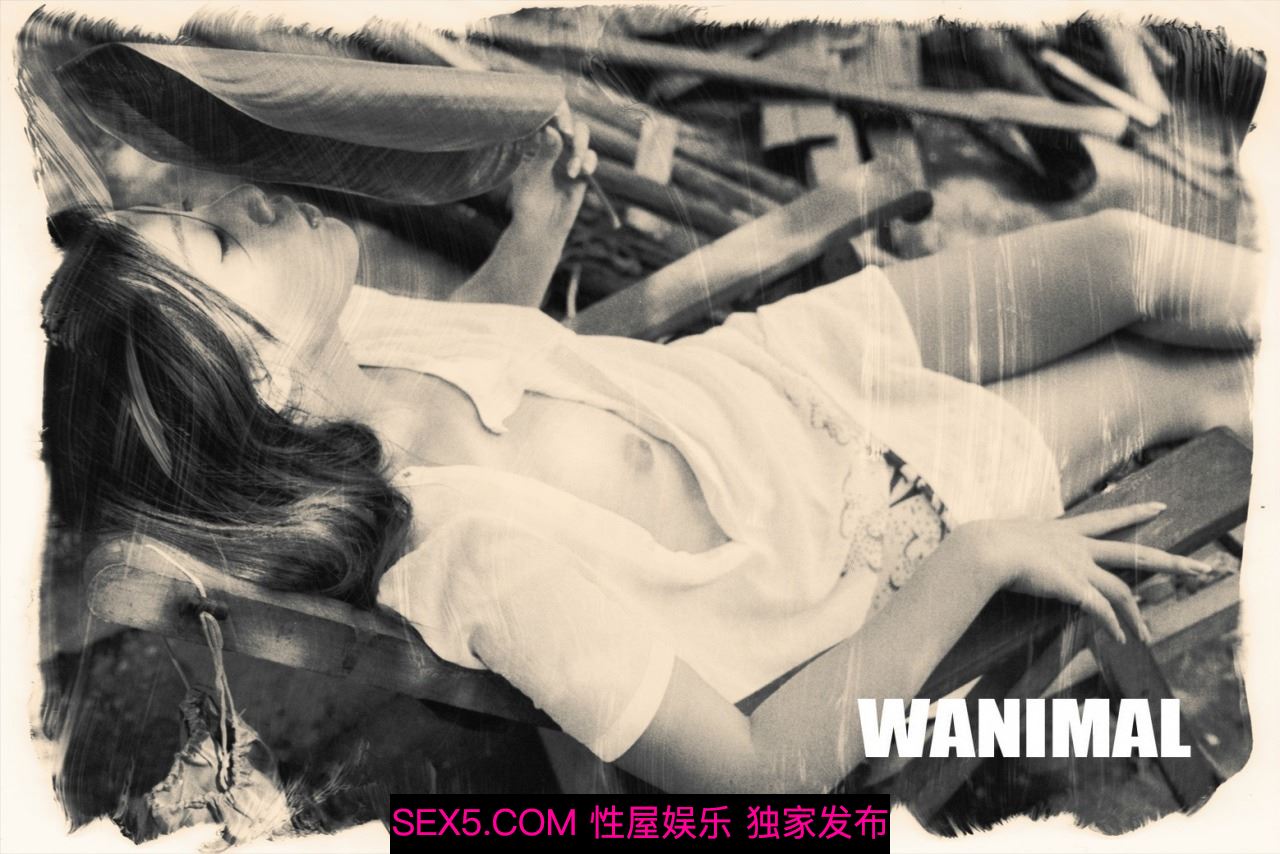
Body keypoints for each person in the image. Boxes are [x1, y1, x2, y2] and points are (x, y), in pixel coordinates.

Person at [41, 106, 1260, 795]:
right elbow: (752, 769)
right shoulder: (471, 558)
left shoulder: (351, 337)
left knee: (1123, 255)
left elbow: (484, 337)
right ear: (258, 379)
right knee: (1173, 381)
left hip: (784, 373)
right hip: (867, 525)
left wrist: (536, 231)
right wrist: (977, 559)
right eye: (219, 238)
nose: (247, 199)